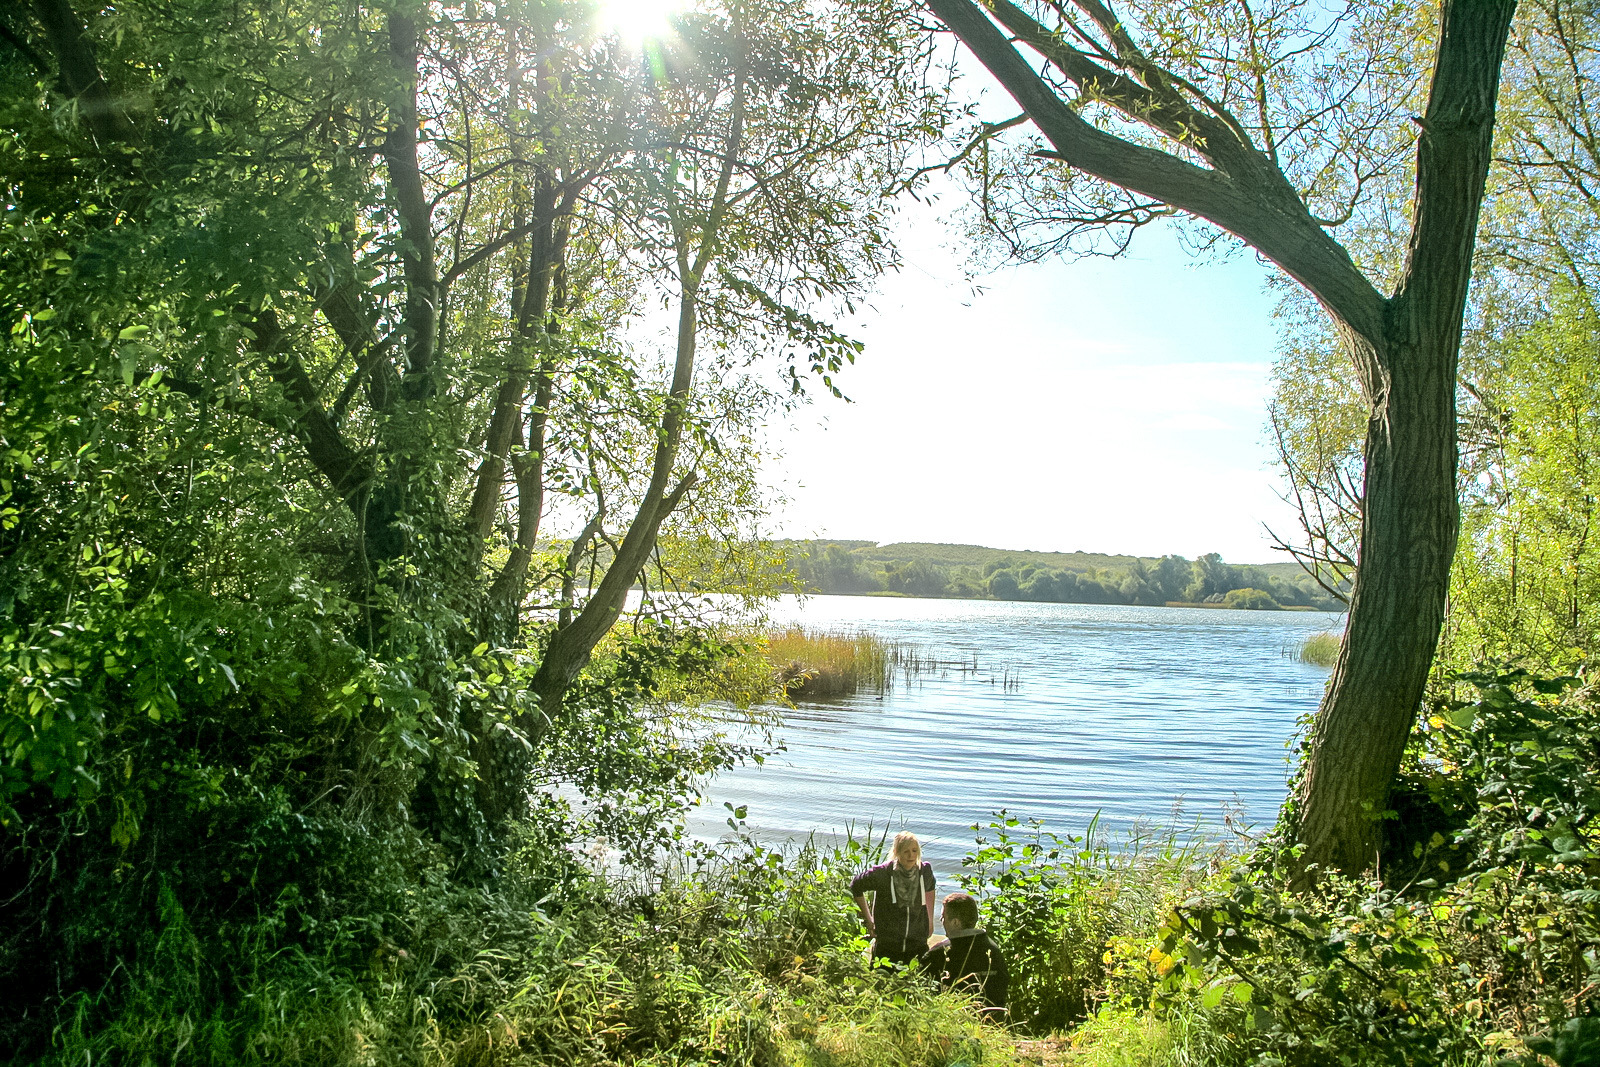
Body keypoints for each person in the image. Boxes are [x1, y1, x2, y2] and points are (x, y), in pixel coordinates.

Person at [849, 831, 937, 965]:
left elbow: (930, 888)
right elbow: (856, 885)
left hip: (917, 943)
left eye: (914, 851)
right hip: (888, 945)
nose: (911, 855)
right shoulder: (883, 874)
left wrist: (930, 921)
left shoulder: (924, 871)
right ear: (896, 852)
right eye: (906, 851)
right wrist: (869, 919)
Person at [921, 892, 1009, 1017]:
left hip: (955, 1020)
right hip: (993, 1020)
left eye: (943, 917)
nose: (941, 921)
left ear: (956, 922)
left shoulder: (939, 954)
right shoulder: (994, 950)